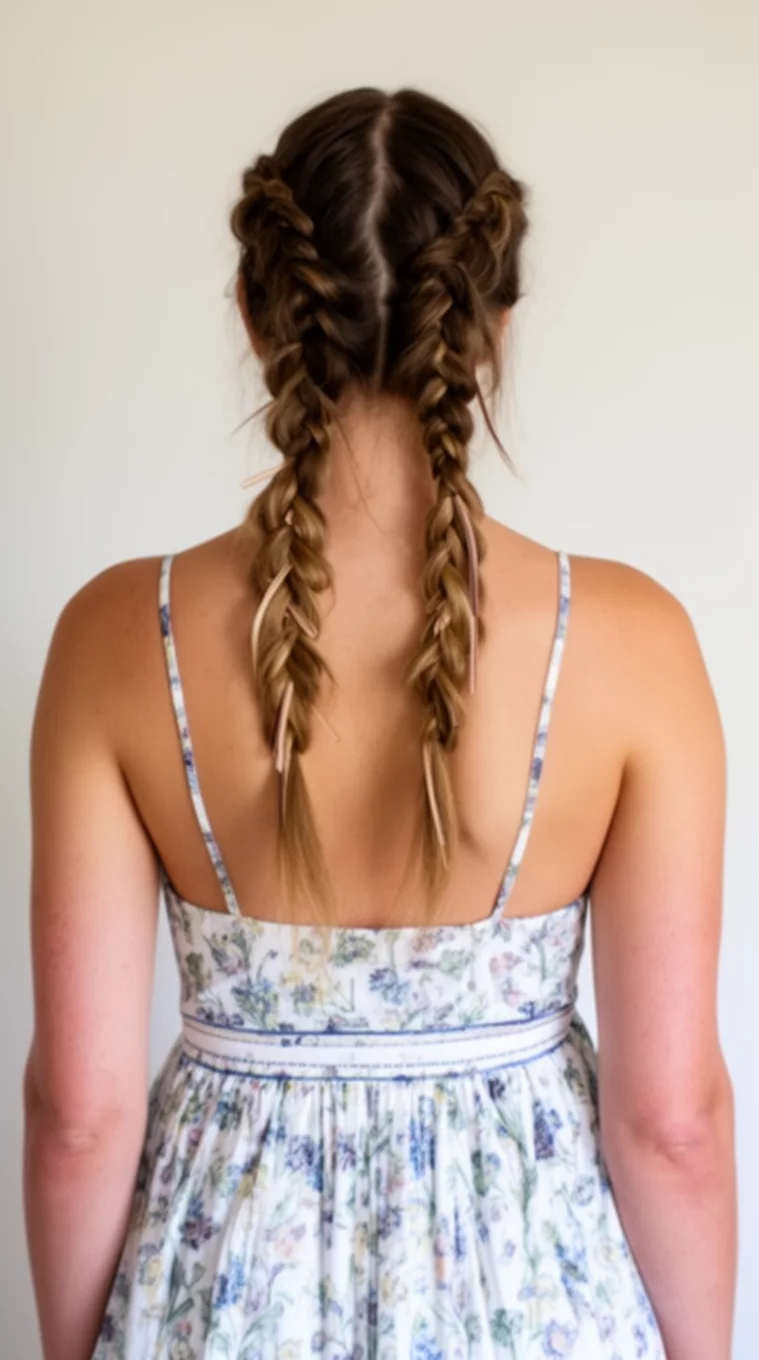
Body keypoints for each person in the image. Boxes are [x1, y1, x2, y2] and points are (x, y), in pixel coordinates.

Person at [23, 87, 736, 1360]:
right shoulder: (635, 644)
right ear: (495, 327)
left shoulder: (113, 637)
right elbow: (670, 1119)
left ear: (258, 318)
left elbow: (80, 1114)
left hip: (221, 1297)